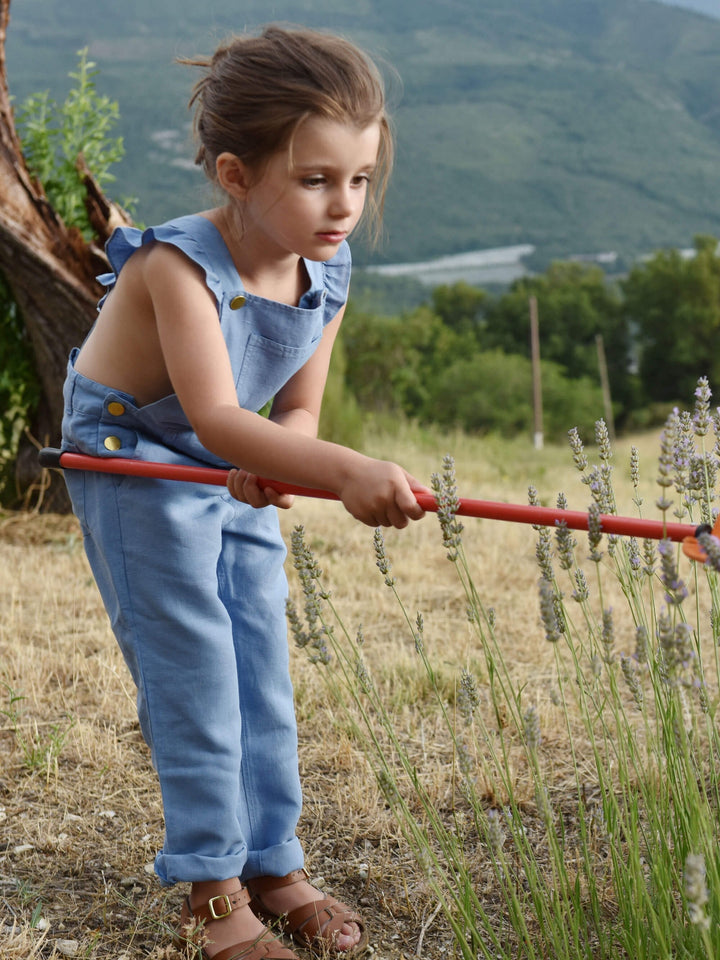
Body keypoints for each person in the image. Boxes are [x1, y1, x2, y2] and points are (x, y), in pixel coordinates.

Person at [60, 24, 427, 960]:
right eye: (315, 180)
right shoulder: (176, 269)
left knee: (259, 652)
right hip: (135, 449)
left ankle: (274, 862)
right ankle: (212, 886)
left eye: (359, 178)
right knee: (193, 664)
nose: (344, 205)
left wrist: (291, 459)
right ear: (234, 173)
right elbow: (218, 417)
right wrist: (342, 472)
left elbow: (292, 409)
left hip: (232, 453)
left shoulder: (326, 268)